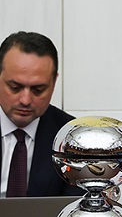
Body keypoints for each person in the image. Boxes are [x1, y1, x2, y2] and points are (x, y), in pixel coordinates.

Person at [0, 31, 83, 197]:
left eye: (38, 90)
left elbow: (73, 205)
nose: (25, 100)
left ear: (53, 83)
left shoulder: (71, 139)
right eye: (15, 88)